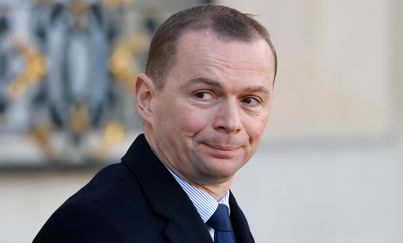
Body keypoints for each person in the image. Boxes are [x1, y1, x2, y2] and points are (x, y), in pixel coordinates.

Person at [33, 4, 277, 243]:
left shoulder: (225, 218)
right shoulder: (91, 226)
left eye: (250, 100)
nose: (231, 122)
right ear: (146, 99)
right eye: (203, 94)